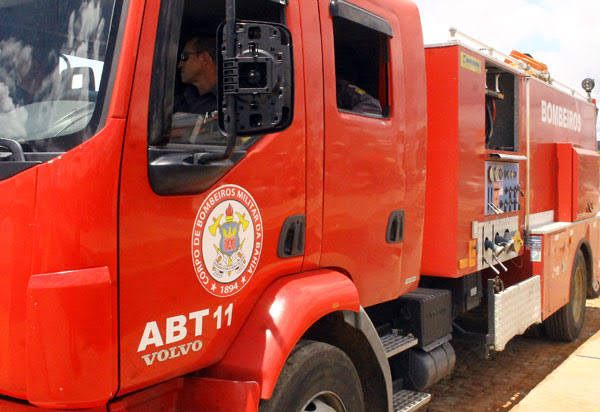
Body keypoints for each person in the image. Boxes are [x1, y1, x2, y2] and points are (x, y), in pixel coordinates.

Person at [174, 35, 217, 115]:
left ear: (204, 58)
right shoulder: (182, 100)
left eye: (184, 57)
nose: (180, 64)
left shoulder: (229, 100)